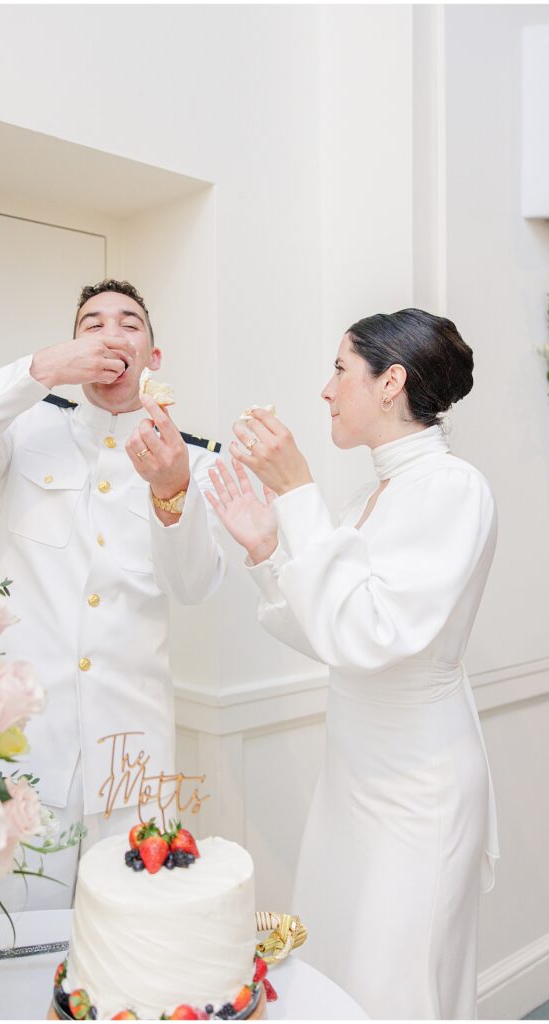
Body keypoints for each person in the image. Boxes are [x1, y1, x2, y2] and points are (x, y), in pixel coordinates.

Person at [206, 308, 500, 1020]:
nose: (325, 390)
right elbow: (329, 632)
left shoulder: (451, 489)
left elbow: (372, 632)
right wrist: (264, 549)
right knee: (335, 972)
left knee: (395, 987)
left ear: (390, 380)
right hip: (353, 779)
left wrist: (297, 491)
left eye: (339, 369)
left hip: (416, 788)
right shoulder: (367, 497)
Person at [0, 279, 225, 908]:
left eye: (130, 323)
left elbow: (192, 586)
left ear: (153, 358)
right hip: (24, 747)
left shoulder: (194, 462)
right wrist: (35, 371)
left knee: (133, 932)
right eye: (92, 323)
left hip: (133, 751)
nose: (111, 334)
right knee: (19, 929)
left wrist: (171, 492)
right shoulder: (22, 429)